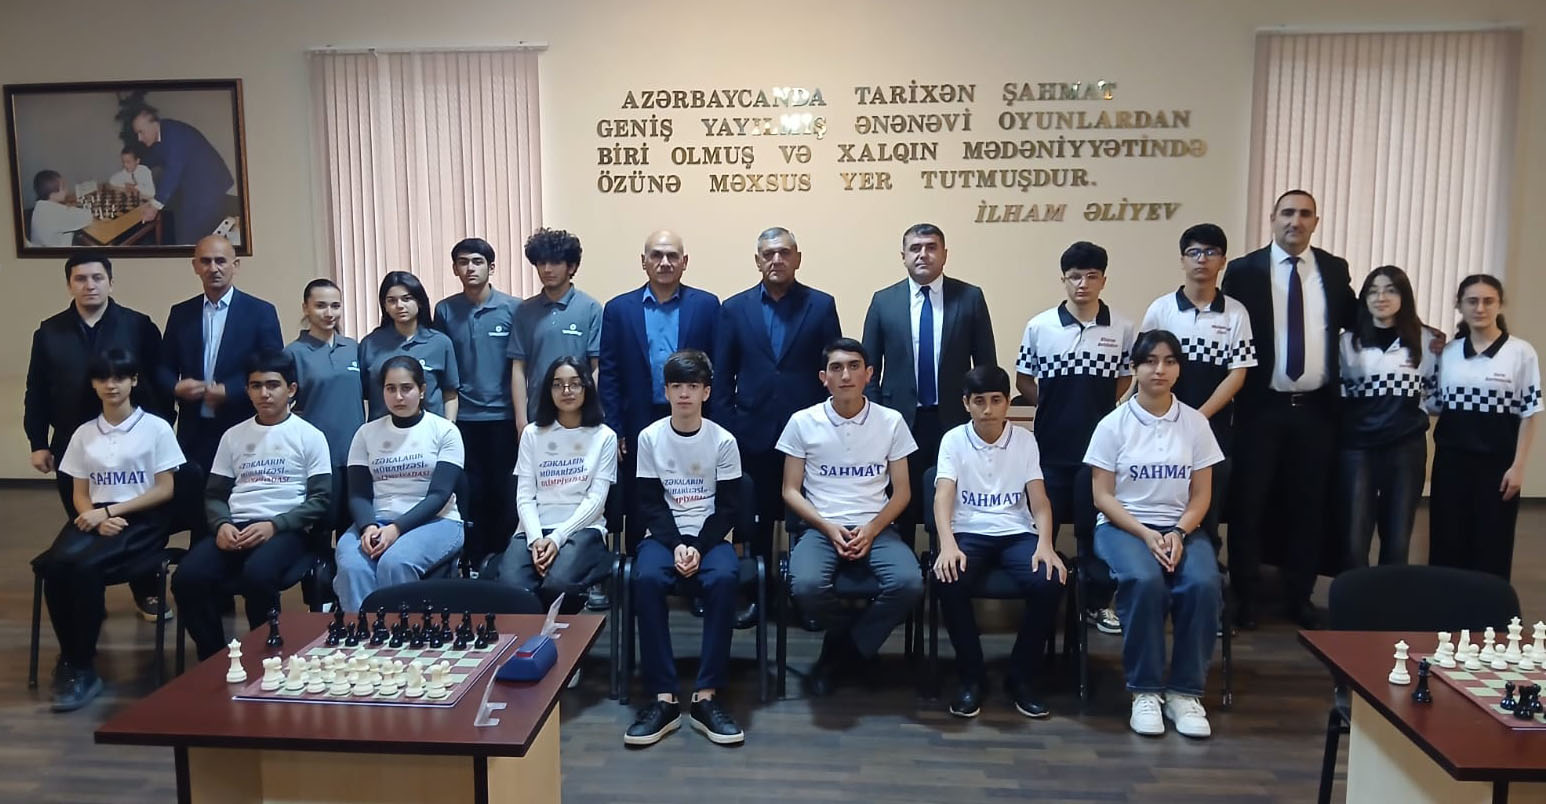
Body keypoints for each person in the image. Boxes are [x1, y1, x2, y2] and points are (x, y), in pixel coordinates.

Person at [1221, 189, 1356, 629]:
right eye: (1287, 213)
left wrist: (1419, 332)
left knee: (1309, 506)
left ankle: (1299, 596)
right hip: (1260, 409)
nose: (1295, 221)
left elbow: (1362, 321)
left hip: (1316, 412)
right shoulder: (1244, 271)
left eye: (1304, 214)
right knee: (1249, 506)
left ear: (1315, 221)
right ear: (1273, 218)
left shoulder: (1333, 270)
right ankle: (1244, 596)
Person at [1085, 330, 1224, 739]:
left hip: (1182, 528)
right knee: (1144, 580)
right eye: (1149, 361)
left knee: (1203, 583)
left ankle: (1184, 693)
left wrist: (1179, 531)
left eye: (1169, 361)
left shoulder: (1196, 424)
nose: (1159, 369)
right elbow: (1101, 495)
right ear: (1135, 368)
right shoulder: (1113, 424)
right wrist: (1146, 534)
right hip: (1123, 527)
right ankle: (1144, 691)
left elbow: (1202, 495)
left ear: (1178, 369)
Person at [35, 349, 184, 711]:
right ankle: (70, 658)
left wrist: (111, 512)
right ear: (93, 384)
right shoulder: (84, 433)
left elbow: (165, 489)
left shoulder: (156, 427)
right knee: (53, 566)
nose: (111, 385)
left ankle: (81, 666)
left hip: (141, 518)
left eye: (119, 377)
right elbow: (80, 493)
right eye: (103, 378)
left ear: (134, 380)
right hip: (96, 515)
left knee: (85, 568)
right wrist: (94, 516)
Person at [26, 253, 169, 620]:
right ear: (69, 285)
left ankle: (146, 590)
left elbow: (159, 382)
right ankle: (88, 593)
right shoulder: (49, 332)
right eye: (80, 279)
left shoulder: (137, 325)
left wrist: (162, 432)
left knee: (136, 520)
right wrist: (38, 442)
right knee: (86, 517)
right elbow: (37, 390)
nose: (89, 285)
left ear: (110, 282)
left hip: (134, 442)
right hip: (74, 442)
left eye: (97, 278)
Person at [780, 338, 923, 696]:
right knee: (805, 586)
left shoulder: (891, 421)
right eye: (837, 368)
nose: (846, 375)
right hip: (821, 526)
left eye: (854, 366)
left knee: (909, 583)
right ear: (823, 378)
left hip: (877, 527)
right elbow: (790, 490)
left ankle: (843, 652)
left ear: (869, 374)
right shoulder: (802, 422)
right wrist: (827, 527)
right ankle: (853, 641)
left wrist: (872, 529)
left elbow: (902, 492)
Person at [171, 351, 332, 661]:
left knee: (257, 575)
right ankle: (215, 658)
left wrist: (275, 525)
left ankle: (267, 657)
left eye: (273, 385)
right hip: (236, 527)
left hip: (286, 529)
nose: (264, 393)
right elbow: (215, 495)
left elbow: (320, 500)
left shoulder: (310, 436)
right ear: (247, 391)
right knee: (187, 578)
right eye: (256, 386)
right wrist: (221, 525)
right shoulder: (233, 436)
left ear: (291, 389)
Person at [624, 350, 745, 747]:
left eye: (693, 386)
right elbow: (649, 504)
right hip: (663, 537)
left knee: (725, 578)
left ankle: (706, 696)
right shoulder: (650, 437)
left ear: (706, 392)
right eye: (676, 386)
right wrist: (677, 544)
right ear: (666, 391)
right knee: (645, 578)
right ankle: (664, 698)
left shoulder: (723, 440)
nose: (684, 394)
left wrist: (697, 546)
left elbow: (728, 507)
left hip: (710, 537)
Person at [932, 365, 1066, 719]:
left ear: (1008, 402)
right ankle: (971, 678)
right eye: (979, 401)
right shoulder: (953, 440)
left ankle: (1021, 678)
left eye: (996, 400)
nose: (988, 409)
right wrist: (947, 544)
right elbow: (943, 496)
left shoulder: (1025, 440)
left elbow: (1039, 500)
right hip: (968, 531)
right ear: (966, 403)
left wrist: (1046, 544)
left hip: (1016, 531)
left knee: (1049, 580)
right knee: (949, 579)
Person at [1015, 241, 1134, 636]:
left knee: (1093, 527)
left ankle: (1096, 603)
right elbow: (1023, 379)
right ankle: (1041, 597)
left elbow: (1124, 379)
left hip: (1099, 451)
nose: (1082, 284)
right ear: (1063, 280)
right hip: (1050, 447)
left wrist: (1096, 405)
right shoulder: (1040, 326)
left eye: (1091, 276)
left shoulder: (1122, 327)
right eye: (1074, 276)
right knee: (1042, 525)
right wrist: (1054, 404)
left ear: (1103, 280)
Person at [714, 227, 842, 570]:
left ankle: (803, 585)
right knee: (757, 518)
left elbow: (833, 370)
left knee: (808, 515)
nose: (776, 259)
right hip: (752, 432)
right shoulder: (734, 308)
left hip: (809, 433)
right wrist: (729, 430)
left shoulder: (821, 305)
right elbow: (722, 378)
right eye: (768, 254)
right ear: (757, 261)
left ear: (797, 259)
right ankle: (760, 588)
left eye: (784, 252)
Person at [862, 223, 996, 543]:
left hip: (954, 420)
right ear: (903, 256)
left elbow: (986, 367)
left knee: (950, 497)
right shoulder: (884, 301)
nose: (923, 254)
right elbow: (868, 370)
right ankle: (904, 562)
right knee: (901, 502)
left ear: (944, 254)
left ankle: (945, 561)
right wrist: (877, 417)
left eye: (931, 247)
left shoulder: (970, 297)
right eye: (915, 248)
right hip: (898, 421)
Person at [599, 230, 720, 550]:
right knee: (642, 495)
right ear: (644, 261)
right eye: (656, 255)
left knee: (691, 491)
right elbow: (609, 374)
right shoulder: (618, 309)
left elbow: (717, 369)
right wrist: (615, 427)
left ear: (685, 262)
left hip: (693, 418)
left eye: (672, 256)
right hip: (638, 419)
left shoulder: (707, 305)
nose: (664, 262)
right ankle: (641, 563)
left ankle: (695, 555)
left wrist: (716, 422)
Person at [1139, 224, 1256, 542]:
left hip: (1213, 428)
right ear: (1182, 260)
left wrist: (1197, 417)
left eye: (1210, 252)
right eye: (1194, 252)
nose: (1202, 259)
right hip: (1162, 427)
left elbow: (1238, 373)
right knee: (1161, 504)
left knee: (1209, 511)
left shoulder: (1236, 313)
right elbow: (1146, 369)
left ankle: (1206, 563)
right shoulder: (1161, 310)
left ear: (1223, 261)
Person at [1428, 275, 1540, 581]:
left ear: (1500, 304)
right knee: (1447, 541)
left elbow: (1530, 413)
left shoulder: (1521, 352)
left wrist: (1518, 467)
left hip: (1497, 466)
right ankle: (1445, 605)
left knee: (1492, 543)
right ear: (1460, 306)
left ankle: (1488, 607)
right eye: (1472, 301)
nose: (1480, 308)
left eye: (1488, 301)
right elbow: (1434, 403)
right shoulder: (1448, 352)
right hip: (1451, 463)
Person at [335, 356, 466, 612]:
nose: (398, 397)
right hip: (376, 521)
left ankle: (403, 631)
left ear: (422, 390)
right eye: (390, 388)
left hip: (438, 521)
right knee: (352, 565)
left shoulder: (445, 431)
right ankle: (363, 632)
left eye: (406, 388)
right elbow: (358, 494)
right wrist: (368, 527)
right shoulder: (366, 433)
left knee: (394, 562)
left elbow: (439, 494)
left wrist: (396, 529)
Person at [1336, 266, 1440, 568]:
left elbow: (1434, 394)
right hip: (1358, 447)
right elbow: (1339, 397)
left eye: (1390, 290)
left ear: (1404, 296)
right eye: (1373, 291)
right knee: (1354, 536)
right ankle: (1356, 595)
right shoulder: (1347, 342)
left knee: (1397, 536)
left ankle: (1391, 596)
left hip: (1406, 446)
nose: (1381, 297)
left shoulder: (1426, 341)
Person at [156, 235, 284, 477]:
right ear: (195, 266)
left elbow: (273, 367)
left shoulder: (260, 312)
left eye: (221, 261)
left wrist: (230, 390)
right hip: (194, 430)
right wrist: (175, 387)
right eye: (205, 261)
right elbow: (163, 367)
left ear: (235, 266)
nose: (213, 268)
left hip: (244, 424)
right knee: (194, 495)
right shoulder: (181, 313)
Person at [496, 356, 617, 611]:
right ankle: (529, 636)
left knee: (559, 583)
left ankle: (557, 634)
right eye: (558, 384)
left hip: (583, 529)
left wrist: (557, 537)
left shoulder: (605, 436)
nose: (566, 391)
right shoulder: (532, 434)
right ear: (548, 390)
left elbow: (596, 500)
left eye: (574, 383)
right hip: (534, 528)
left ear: (586, 387)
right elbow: (525, 495)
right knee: (511, 587)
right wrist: (536, 539)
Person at [433, 238, 520, 566]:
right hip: (463, 418)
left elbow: (520, 366)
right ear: (455, 268)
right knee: (471, 492)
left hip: (504, 417)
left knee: (504, 492)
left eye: (477, 261)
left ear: (491, 267)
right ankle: (472, 560)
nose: (470, 268)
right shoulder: (445, 310)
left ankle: (501, 562)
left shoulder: (513, 308)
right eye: (463, 262)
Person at [284, 278, 364, 536]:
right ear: (305, 308)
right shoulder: (293, 353)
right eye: (320, 306)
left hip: (355, 452)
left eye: (335, 306)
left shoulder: (353, 348)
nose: (329, 313)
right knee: (321, 526)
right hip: (317, 456)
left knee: (351, 525)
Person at [509, 228, 603, 430]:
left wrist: (592, 410)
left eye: (555, 262)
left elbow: (596, 367)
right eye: (541, 263)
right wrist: (521, 420)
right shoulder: (524, 310)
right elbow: (518, 368)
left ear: (571, 266)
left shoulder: (590, 308)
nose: (547, 269)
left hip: (580, 417)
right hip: (537, 415)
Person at [360, 271, 459, 420]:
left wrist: (449, 427)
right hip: (383, 430)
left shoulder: (440, 343)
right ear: (384, 306)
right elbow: (363, 395)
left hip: (429, 429)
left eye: (407, 299)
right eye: (392, 301)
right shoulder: (369, 344)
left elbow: (450, 393)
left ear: (419, 301)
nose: (399, 306)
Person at [131, 106, 237, 244]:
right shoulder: (160, 135)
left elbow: (173, 171)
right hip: (193, 184)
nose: (139, 138)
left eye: (141, 132)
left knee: (194, 235)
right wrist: (135, 166)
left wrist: (154, 206)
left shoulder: (174, 134)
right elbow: (154, 157)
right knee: (184, 228)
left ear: (154, 124)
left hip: (210, 184)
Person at [29, 170, 92, 247]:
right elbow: (88, 217)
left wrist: (68, 208)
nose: (66, 190)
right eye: (63, 187)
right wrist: (72, 208)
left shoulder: (39, 207)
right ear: (53, 194)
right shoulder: (56, 213)